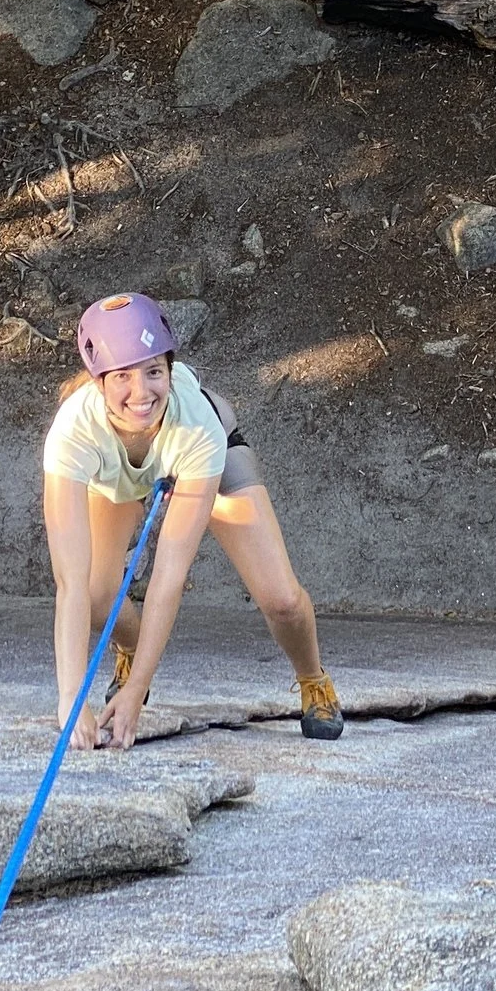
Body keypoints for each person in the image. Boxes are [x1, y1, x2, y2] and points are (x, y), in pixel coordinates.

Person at [43, 293, 343, 750]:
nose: (141, 392)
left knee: (281, 599)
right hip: (119, 472)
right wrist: (70, 696)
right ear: (98, 381)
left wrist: (139, 689)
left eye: (154, 371)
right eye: (122, 376)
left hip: (203, 452)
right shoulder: (74, 433)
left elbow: (168, 575)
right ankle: (129, 654)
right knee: (96, 595)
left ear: (169, 368)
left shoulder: (196, 423)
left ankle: (313, 679)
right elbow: (69, 580)